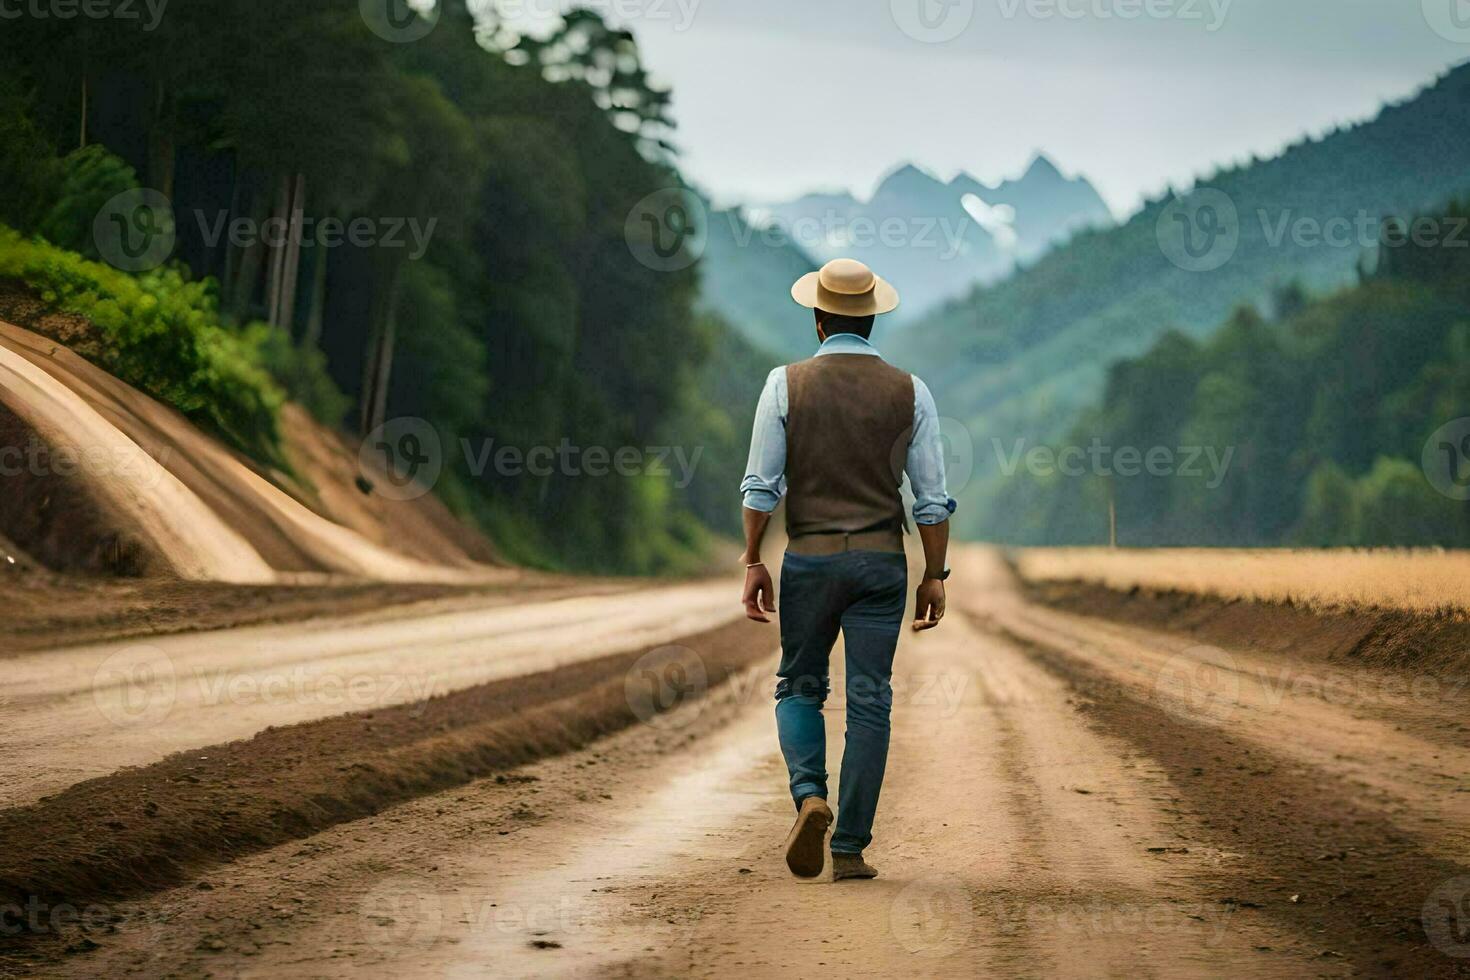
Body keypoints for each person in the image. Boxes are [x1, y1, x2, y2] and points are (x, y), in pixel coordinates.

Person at [738, 257, 955, 882]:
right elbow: (931, 498)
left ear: (817, 320)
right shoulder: (912, 391)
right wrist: (934, 574)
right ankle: (850, 849)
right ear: (872, 322)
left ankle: (810, 794)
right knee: (869, 701)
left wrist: (754, 560)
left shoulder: (785, 385)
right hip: (881, 565)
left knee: (800, 686)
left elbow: (761, 487)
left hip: (808, 559)